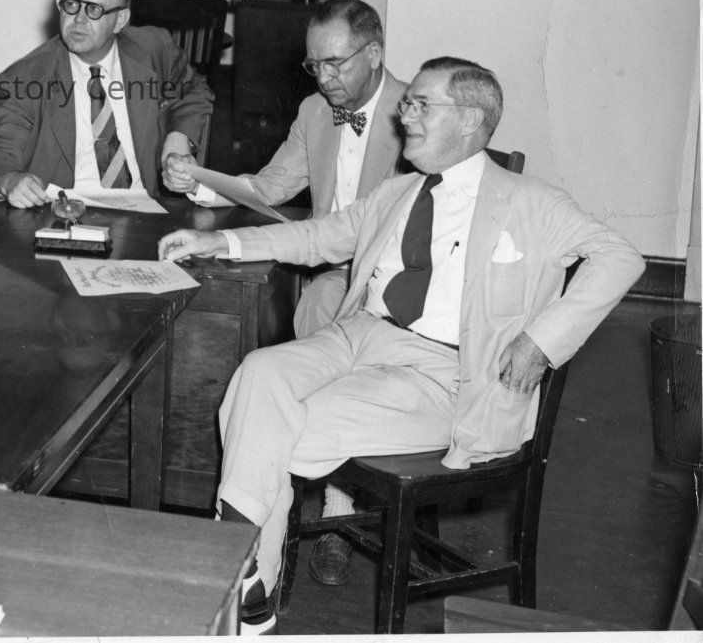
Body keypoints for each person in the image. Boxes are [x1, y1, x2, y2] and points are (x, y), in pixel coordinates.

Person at [158, 57, 643, 633]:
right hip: (357, 336)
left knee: (268, 425)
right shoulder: (397, 191)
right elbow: (317, 236)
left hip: (442, 373)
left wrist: (542, 340)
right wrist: (223, 243)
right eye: (407, 101)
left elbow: (621, 257)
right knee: (258, 374)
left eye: (420, 104)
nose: (403, 114)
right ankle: (245, 581)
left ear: (469, 120)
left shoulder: (532, 201)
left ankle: (241, 577)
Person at [165, 0, 408, 586]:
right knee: (308, 309)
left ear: (375, 54)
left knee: (312, 325)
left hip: (397, 280)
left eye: (335, 64)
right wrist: (198, 182)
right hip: (330, 269)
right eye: (313, 66)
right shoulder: (315, 111)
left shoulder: (417, 112)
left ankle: (334, 507)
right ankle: (276, 510)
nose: (324, 78)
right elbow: (271, 186)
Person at [0, 0, 213, 206]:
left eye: (94, 9)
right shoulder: (26, 77)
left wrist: (179, 137)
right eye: (71, 4)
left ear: (120, 20)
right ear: (60, 5)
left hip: (145, 207)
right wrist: (10, 180)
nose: (79, 19)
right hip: (62, 213)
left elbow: (194, 91)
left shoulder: (152, 49)